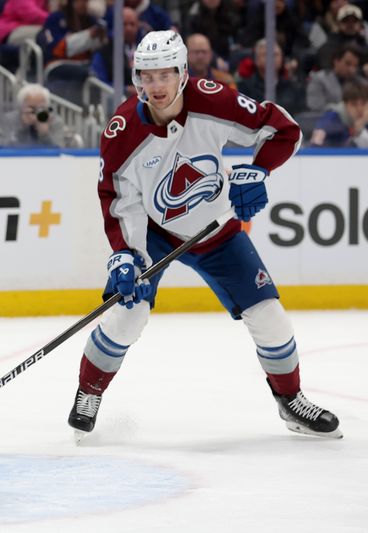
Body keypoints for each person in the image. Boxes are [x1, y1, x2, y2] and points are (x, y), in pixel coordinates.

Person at [68, 30, 341, 441]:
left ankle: (290, 400)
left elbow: (284, 130)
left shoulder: (215, 100)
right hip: (154, 233)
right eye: (147, 76)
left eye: (165, 75)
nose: (156, 86)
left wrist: (258, 168)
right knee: (128, 315)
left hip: (216, 229)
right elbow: (115, 198)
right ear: (136, 77)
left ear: (182, 73)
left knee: (269, 315)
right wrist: (123, 254)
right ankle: (88, 392)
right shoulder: (121, 132)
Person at [237, 39, 306, 115]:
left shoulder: (295, 88)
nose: (271, 59)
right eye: (266, 54)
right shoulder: (244, 88)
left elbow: (302, 117)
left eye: (275, 54)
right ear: (256, 60)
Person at [0, 83, 66, 148]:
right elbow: (3, 147)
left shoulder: (55, 121)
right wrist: (23, 128)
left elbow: (59, 151)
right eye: (32, 108)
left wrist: (45, 134)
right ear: (22, 106)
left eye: (41, 108)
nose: (36, 113)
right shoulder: (9, 119)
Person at [306, 44, 367, 111]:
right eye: (348, 64)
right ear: (336, 61)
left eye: (355, 66)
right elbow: (315, 108)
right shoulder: (318, 79)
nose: (351, 70)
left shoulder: (360, 82)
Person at [309, 81, 368, 146]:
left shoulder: (365, 121)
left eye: (363, 104)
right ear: (345, 104)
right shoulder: (330, 120)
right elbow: (315, 146)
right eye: (354, 104)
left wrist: (359, 130)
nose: (359, 109)